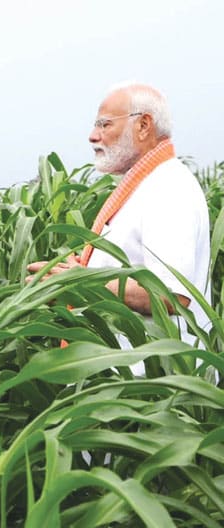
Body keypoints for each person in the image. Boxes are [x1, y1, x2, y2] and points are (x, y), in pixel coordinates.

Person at [27, 83, 211, 358]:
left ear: (143, 125)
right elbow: (127, 269)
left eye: (104, 125)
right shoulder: (144, 186)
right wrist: (76, 275)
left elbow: (171, 295)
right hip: (127, 380)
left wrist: (78, 283)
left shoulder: (169, 189)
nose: (93, 136)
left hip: (153, 386)